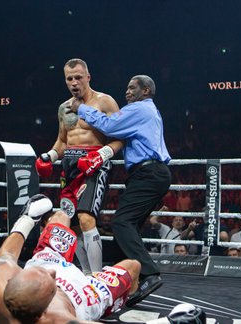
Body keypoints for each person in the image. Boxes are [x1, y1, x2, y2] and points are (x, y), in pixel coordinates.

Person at [71, 74, 171, 306]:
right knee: (130, 225)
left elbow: (110, 125)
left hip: (149, 173)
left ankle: (149, 274)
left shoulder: (140, 109)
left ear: (145, 91)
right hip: (149, 175)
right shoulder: (147, 110)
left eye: (132, 88)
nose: (126, 92)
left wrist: (83, 109)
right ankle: (127, 278)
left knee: (122, 223)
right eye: (126, 88)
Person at [0, 194, 140, 323]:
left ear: (12, 281)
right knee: (133, 266)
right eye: (50, 279)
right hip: (87, 293)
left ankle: (29, 218)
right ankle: (126, 300)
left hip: (49, 259)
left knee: (61, 216)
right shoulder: (59, 318)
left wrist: (27, 220)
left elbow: (6, 255)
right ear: (43, 312)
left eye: (41, 272)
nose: (52, 273)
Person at [35, 58, 122, 274]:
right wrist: (50, 156)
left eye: (78, 78)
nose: (74, 82)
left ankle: (97, 276)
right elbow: (62, 141)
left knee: (86, 218)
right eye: (69, 79)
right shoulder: (63, 108)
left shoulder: (105, 102)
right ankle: (86, 275)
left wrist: (101, 156)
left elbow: (121, 137)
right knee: (72, 224)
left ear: (88, 77)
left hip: (94, 164)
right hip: (70, 167)